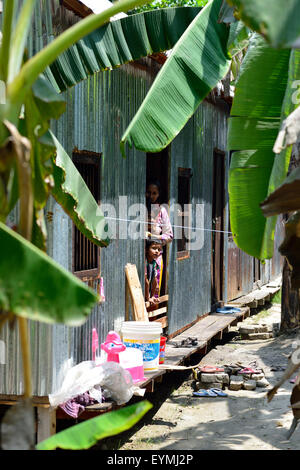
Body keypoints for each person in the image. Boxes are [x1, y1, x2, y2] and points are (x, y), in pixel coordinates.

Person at [145, 180, 173, 296]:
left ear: (159, 194)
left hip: (155, 256)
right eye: (149, 192)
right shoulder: (140, 208)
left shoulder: (162, 211)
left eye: (154, 193)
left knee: (154, 287)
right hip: (141, 254)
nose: (151, 196)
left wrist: (154, 237)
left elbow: (169, 235)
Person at [145, 239, 162, 307]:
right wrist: (148, 298)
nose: (157, 251)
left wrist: (152, 296)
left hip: (147, 292)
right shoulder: (145, 261)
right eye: (154, 248)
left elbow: (154, 280)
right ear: (146, 249)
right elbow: (145, 281)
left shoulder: (154, 263)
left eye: (159, 249)